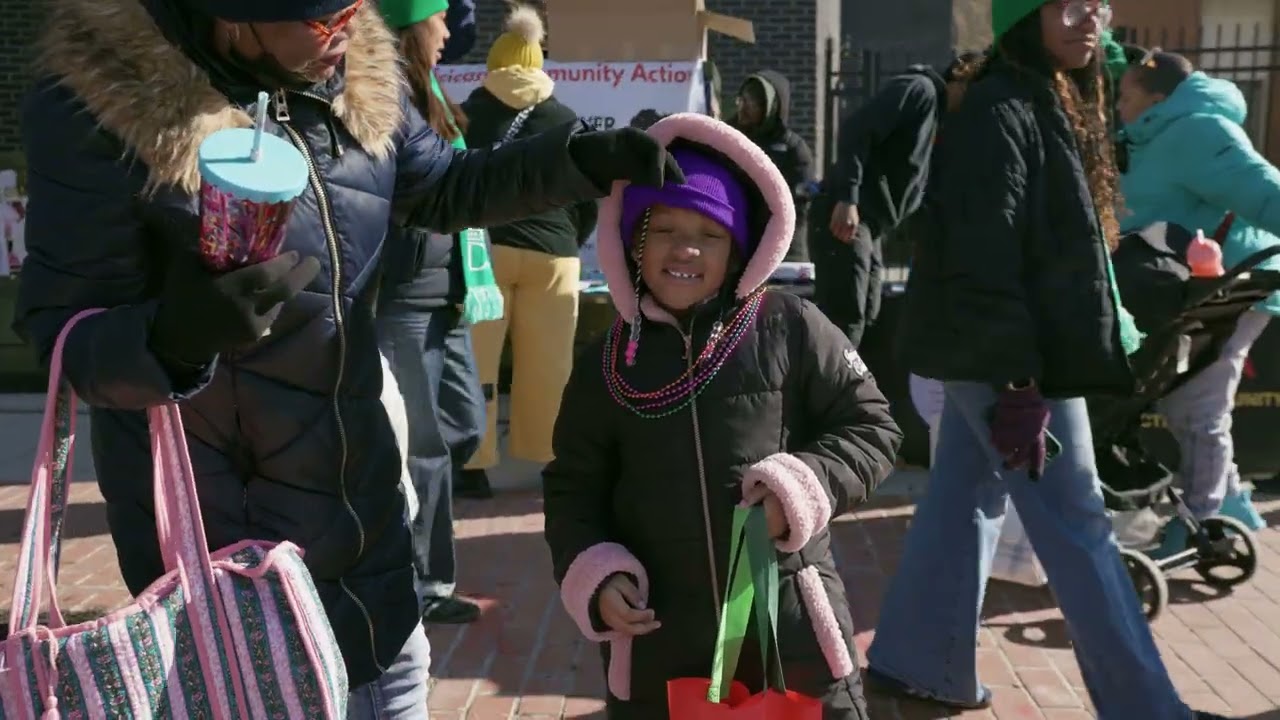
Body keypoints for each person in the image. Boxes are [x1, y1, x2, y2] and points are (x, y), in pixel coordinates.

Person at [16, 0, 682, 714]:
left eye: (355, 7)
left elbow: (445, 188)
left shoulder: (353, 79)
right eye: (324, 17)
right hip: (236, 574)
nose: (348, 31)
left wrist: (578, 158)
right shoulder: (102, 109)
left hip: (369, 539)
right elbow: (66, 335)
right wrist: (174, 337)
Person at [864, 2, 1223, 718]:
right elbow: (982, 256)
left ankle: (913, 661)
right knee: (1078, 522)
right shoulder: (1003, 107)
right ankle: (1147, 709)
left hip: (997, 350)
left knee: (965, 494)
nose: (1087, 17)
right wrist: (1020, 381)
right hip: (1010, 357)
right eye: (1064, 3)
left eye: (1096, 1)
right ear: (1021, 17)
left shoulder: (1042, 95)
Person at [542, 112, 903, 719]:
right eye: (665, 230)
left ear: (739, 247)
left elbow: (872, 426)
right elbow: (573, 484)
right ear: (633, 241)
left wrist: (801, 484)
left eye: (709, 234)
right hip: (660, 646)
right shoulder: (605, 362)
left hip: (790, 631)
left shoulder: (787, 324)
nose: (686, 249)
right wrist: (596, 574)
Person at [1116, 50, 1278, 551]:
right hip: (1191, 289)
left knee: (1197, 408)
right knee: (1191, 404)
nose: (1117, 106)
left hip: (1231, 289)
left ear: (1156, 97)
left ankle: (1202, 526)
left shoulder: (1198, 130)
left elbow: (1264, 190)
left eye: (1125, 95)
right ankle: (1228, 506)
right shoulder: (1151, 137)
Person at [376, 0, 491, 625]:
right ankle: (425, 586)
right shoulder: (381, 96)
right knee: (424, 448)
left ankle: (403, 551)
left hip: (446, 296)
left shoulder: (431, 93)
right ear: (409, 25)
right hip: (400, 302)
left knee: (463, 428)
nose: (449, 31)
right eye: (439, 18)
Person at [461, 4, 600, 492]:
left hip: (485, 253)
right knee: (549, 367)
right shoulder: (566, 119)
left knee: (475, 361)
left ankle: (474, 465)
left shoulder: (468, 114)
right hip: (555, 255)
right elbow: (589, 196)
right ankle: (549, 463)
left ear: (494, 66)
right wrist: (568, 240)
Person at [813, 53, 980, 348]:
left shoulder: (937, 120)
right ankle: (827, 389)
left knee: (869, 309)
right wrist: (848, 197)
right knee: (847, 312)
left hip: (872, 223)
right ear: (959, 77)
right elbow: (856, 129)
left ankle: (839, 386)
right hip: (850, 213)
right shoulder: (920, 90)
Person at [731, 70, 816, 262]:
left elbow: (800, 204)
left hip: (780, 246)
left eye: (753, 102)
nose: (744, 107)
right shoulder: (727, 137)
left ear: (771, 107)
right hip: (735, 240)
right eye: (742, 99)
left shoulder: (793, 148)